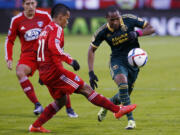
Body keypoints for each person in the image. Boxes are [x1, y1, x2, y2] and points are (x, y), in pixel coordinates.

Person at [28, 4, 136, 133]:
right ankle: (118, 110)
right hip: (55, 72)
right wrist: (70, 60)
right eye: (67, 19)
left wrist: (41, 72)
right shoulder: (56, 28)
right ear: (60, 17)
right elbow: (53, 47)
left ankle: (35, 126)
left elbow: (38, 51)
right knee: (86, 89)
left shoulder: (45, 29)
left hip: (46, 72)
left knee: (60, 101)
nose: (67, 22)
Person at [5, 0, 78, 118]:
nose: (30, 6)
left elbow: (56, 32)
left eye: (32, 3)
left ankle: (69, 108)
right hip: (29, 56)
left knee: (59, 78)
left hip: (46, 55)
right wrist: (8, 57)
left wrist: (59, 55)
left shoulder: (44, 16)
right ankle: (37, 104)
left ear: (36, 3)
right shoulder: (16, 20)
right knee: (20, 72)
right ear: (23, 5)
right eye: (27, 4)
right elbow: (10, 40)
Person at [88, 6, 155, 129]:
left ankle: (107, 105)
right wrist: (91, 72)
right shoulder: (102, 32)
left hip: (133, 61)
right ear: (106, 18)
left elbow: (151, 28)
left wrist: (137, 33)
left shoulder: (129, 19)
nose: (115, 22)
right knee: (123, 84)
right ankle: (131, 121)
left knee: (125, 94)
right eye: (112, 20)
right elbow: (91, 50)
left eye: (117, 19)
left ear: (120, 16)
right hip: (117, 60)